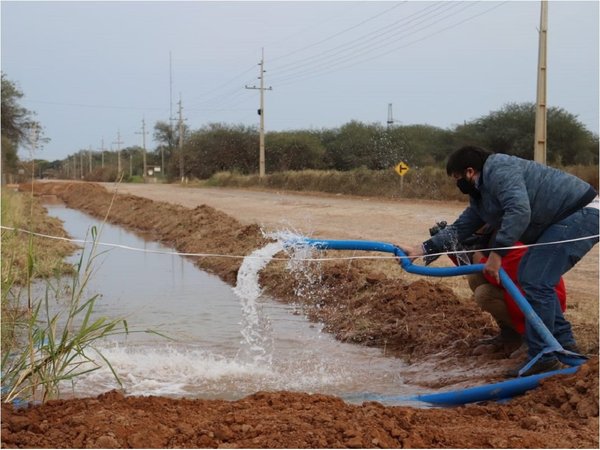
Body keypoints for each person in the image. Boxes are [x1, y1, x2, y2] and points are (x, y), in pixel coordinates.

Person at [399, 146, 598, 376]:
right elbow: (460, 228)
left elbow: (519, 210)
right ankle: (563, 347)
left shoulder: (499, 169)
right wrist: (420, 249)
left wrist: (496, 254)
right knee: (532, 277)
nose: (458, 185)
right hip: (563, 220)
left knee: (535, 279)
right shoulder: (482, 197)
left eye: (457, 178)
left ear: (470, 172)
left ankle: (544, 355)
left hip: (582, 214)